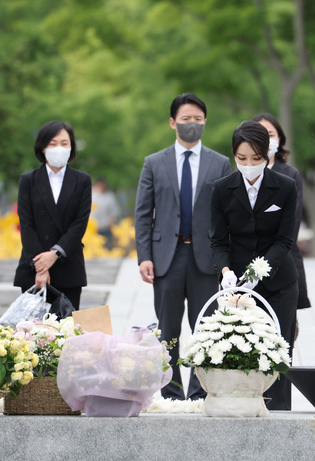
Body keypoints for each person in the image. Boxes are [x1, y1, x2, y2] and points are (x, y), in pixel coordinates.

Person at [135, 93, 231, 400]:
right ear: (172, 122)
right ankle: (172, 392)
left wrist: (225, 259)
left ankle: (200, 392)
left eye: (198, 119)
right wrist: (144, 256)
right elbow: (142, 213)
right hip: (167, 257)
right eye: (186, 119)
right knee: (168, 330)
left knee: (205, 329)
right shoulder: (154, 163)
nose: (192, 124)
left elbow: (227, 215)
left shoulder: (220, 163)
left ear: (205, 122)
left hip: (205, 259)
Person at [211, 120, 298, 410]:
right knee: (238, 349)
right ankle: (241, 410)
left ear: (267, 156)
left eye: (256, 159)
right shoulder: (221, 189)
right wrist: (225, 272)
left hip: (278, 283)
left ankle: (281, 413)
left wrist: (257, 272)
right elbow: (219, 241)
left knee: (278, 352)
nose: (249, 164)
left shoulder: (285, 187)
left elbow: (285, 240)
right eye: (242, 158)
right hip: (235, 285)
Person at [13, 121, 92, 309]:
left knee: (67, 333)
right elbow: (27, 224)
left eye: (64, 143)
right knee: (32, 333)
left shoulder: (82, 181)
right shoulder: (28, 180)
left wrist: (55, 253)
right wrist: (40, 266)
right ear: (42, 147)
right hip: (33, 268)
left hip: (69, 267)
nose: (59, 148)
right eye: (53, 143)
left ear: (72, 147)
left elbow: (79, 224)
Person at [252, 113, 311, 314]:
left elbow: (291, 225)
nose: (266, 139)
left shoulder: (290, 175)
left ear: (280, 139)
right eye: (259, 134)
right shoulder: (237, 175)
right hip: (246, 263)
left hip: (282, 262)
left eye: (270, 134)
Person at [91, 177, 120, 248]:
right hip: (92, 228)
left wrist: (111, 222)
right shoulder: (91, 195)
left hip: (105, 228)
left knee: (106, 247)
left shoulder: (109, 196)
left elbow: (114, 211)